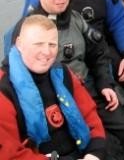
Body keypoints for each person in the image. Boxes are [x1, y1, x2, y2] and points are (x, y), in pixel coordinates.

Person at [13, 0, 124, 159]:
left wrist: (105, 83)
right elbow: (21, 79)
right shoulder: (27, 30)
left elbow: (99, 52)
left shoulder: (76, 19)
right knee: (109, 151)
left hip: (92, 91)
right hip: (59, 102)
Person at [0, 15, 106, 159]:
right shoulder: (4, 89)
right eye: (38, 44)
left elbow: (89, 114)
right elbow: (9, 154)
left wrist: (94, 152)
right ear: (19, 44)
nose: (47, 52)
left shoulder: (63, 72)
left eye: (52, 44)